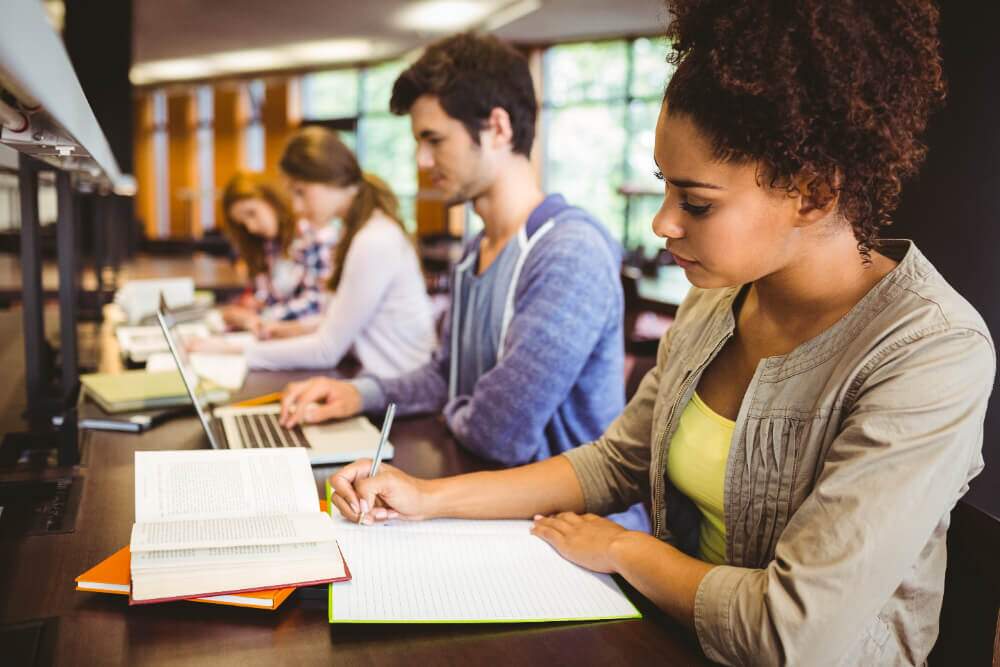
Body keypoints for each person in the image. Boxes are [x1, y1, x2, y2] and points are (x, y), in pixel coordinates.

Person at [323, 2, 995, 664]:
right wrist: (425, 496)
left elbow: (794, 631)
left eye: (696, 203)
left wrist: (623, 548)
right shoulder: (716, 302)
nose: (663, 223)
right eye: (664, 189)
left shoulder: (929, 351)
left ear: (815, 192)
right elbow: (614, 462)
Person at [280, 33, 637, 525]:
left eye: (434, 140)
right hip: (494, 511)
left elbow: (500, 434)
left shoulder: (567, 252)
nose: (422, 162)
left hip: (571, 536)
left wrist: (456, 408)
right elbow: (444, 378)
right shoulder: (476, 251)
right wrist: (359, 393)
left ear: (496, 128)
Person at [197, 126, 436, 378]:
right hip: (376, 379)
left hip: (397, 392)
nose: (298, 207)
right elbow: (345, 319)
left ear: (330, 177)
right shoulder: (360, 231)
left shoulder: (373, 240)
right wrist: (293, 329)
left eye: (301, 192)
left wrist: (232, 351)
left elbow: (326, 351)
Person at [217, 172, 336, 335]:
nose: (251, 227)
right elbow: (271, 298)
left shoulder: (316, 237)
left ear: (272, 200)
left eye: (252, 213)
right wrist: (248, 308)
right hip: (279, 338)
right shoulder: (268, 245)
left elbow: (316, 305)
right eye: (243, 224)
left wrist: (259, 317)